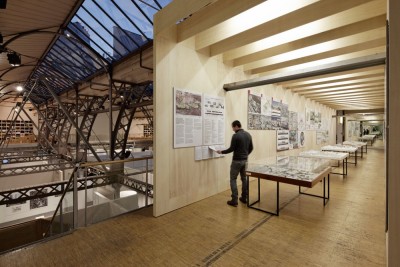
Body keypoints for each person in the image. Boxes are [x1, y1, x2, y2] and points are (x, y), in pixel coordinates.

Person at [217, 120, 253, 207]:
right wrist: (245, 155)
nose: (233, 129)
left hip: (236, 161)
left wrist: (221, 152)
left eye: (233, 127)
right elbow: (251, 148)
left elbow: (231, 149)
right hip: (245, 160)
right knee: (244, 179)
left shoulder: (236, 136)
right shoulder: (248, 134)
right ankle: (244, 198)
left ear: (236, 126)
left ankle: (234, 200)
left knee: (233, 179)